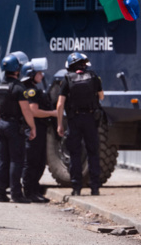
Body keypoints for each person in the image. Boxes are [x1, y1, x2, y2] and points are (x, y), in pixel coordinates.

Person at [56, 52, 103, 196]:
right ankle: (94, 187)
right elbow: (101, 96)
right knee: (93, 153)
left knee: (75, 154)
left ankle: (76, 188)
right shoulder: (94, 77)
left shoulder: (67, 79)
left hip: (74, 120)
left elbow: (60, 104)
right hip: (90, 118)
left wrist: (59, 124)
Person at [0, 53, 36, 204]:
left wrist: (1, 123)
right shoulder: (19, 88)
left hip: (2, 125)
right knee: (16, 160)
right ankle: (16, 194)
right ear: (17, 69)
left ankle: (0, 193)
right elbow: (26, 110)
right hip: (14, 126)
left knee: (2, 160)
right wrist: (32, 127)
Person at [21, 59, 57, 203]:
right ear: (32, 74)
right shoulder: (31, 90)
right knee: (32, 162)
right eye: (39, 73)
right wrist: (53, 113)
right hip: (34, 129)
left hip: (40, 129)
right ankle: (29, 192)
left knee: (40, 162)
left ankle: (34, 190)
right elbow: (33, 111)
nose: (42, 75)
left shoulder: (34, 88)